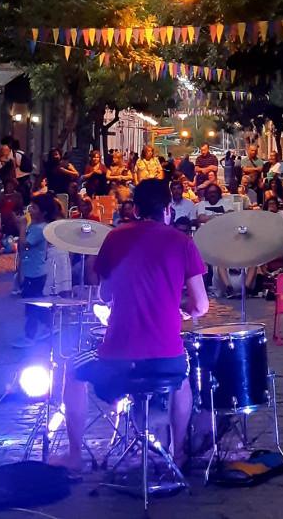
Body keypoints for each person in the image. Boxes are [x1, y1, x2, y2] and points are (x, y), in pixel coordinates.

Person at [54, 179, 209, 474]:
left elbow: (104, 295)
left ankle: (74, 454)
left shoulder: (115, 237)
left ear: (135, 209)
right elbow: (201, 306)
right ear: (168, 210)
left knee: (71, 370)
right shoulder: (182, 242)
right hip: (165, 363)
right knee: (183, 379)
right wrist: (182, 311)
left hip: (116, 362)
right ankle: (178, 454)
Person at [13, 193, 57, 348]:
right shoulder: (35, 225)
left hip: (36, 272)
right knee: (34, 301)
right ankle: (50, 326)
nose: (30, 210)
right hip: (32, 270)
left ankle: (30, 336)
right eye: (30, 206)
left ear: (43, 212)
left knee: (31, 303)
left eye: (34, 207)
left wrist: (22, 227)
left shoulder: (40, 228)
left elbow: (25, 244)